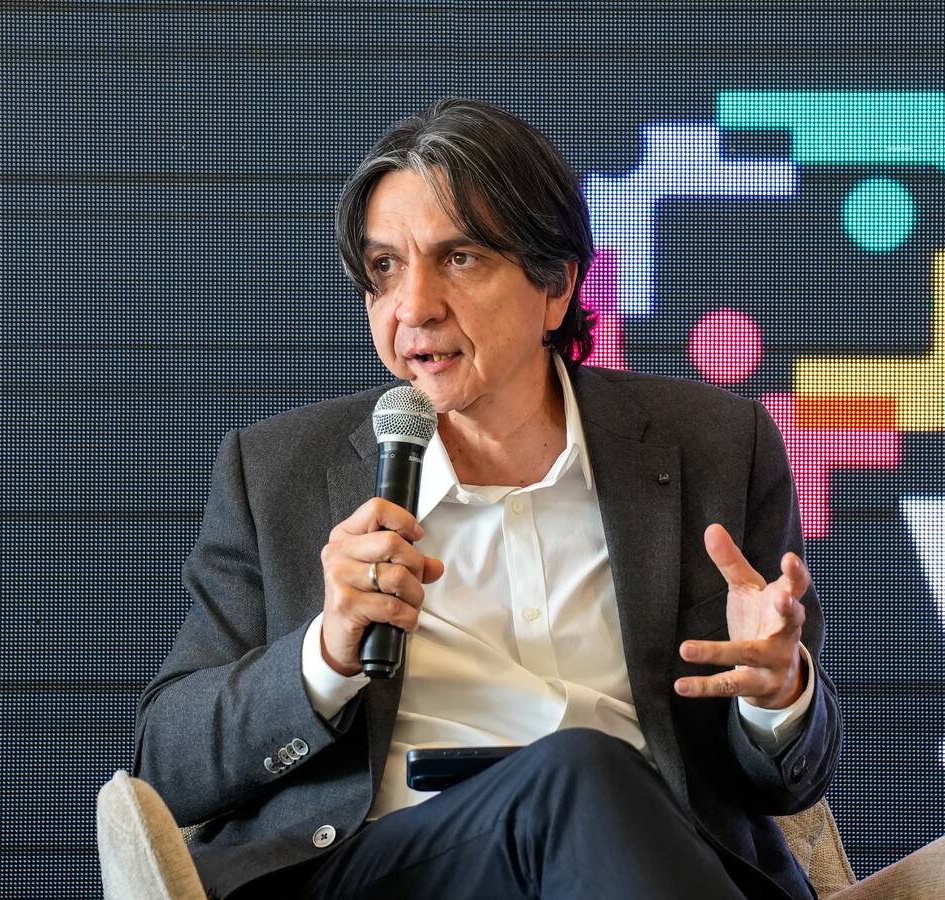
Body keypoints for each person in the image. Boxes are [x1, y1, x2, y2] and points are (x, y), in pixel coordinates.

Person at [134, 98, 841, 899]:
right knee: (578, 771)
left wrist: (779, 696)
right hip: (380, 869)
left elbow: (788, 780)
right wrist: (324, 653)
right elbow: (167, 765)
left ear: (556, 285)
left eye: (460, 258)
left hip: (637, 861)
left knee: (588, 776)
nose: (414, 307)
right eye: (384, 269)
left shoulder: (716, 447)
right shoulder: (279, 471)